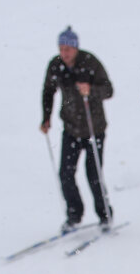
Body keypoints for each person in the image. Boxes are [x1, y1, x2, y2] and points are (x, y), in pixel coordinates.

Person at [40, 26, 115, 232]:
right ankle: (74, 215)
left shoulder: (90, 62)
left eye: (68, 49)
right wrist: (46, 118)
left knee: (94, 174)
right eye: (61, 48)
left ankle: (105, 215)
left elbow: (109, 90)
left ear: (76, 48)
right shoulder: (56, 66)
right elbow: (48, 91)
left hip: (94, 128)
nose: (64, 53)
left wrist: (91, 90)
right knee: (65, 174)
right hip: (71, 128)